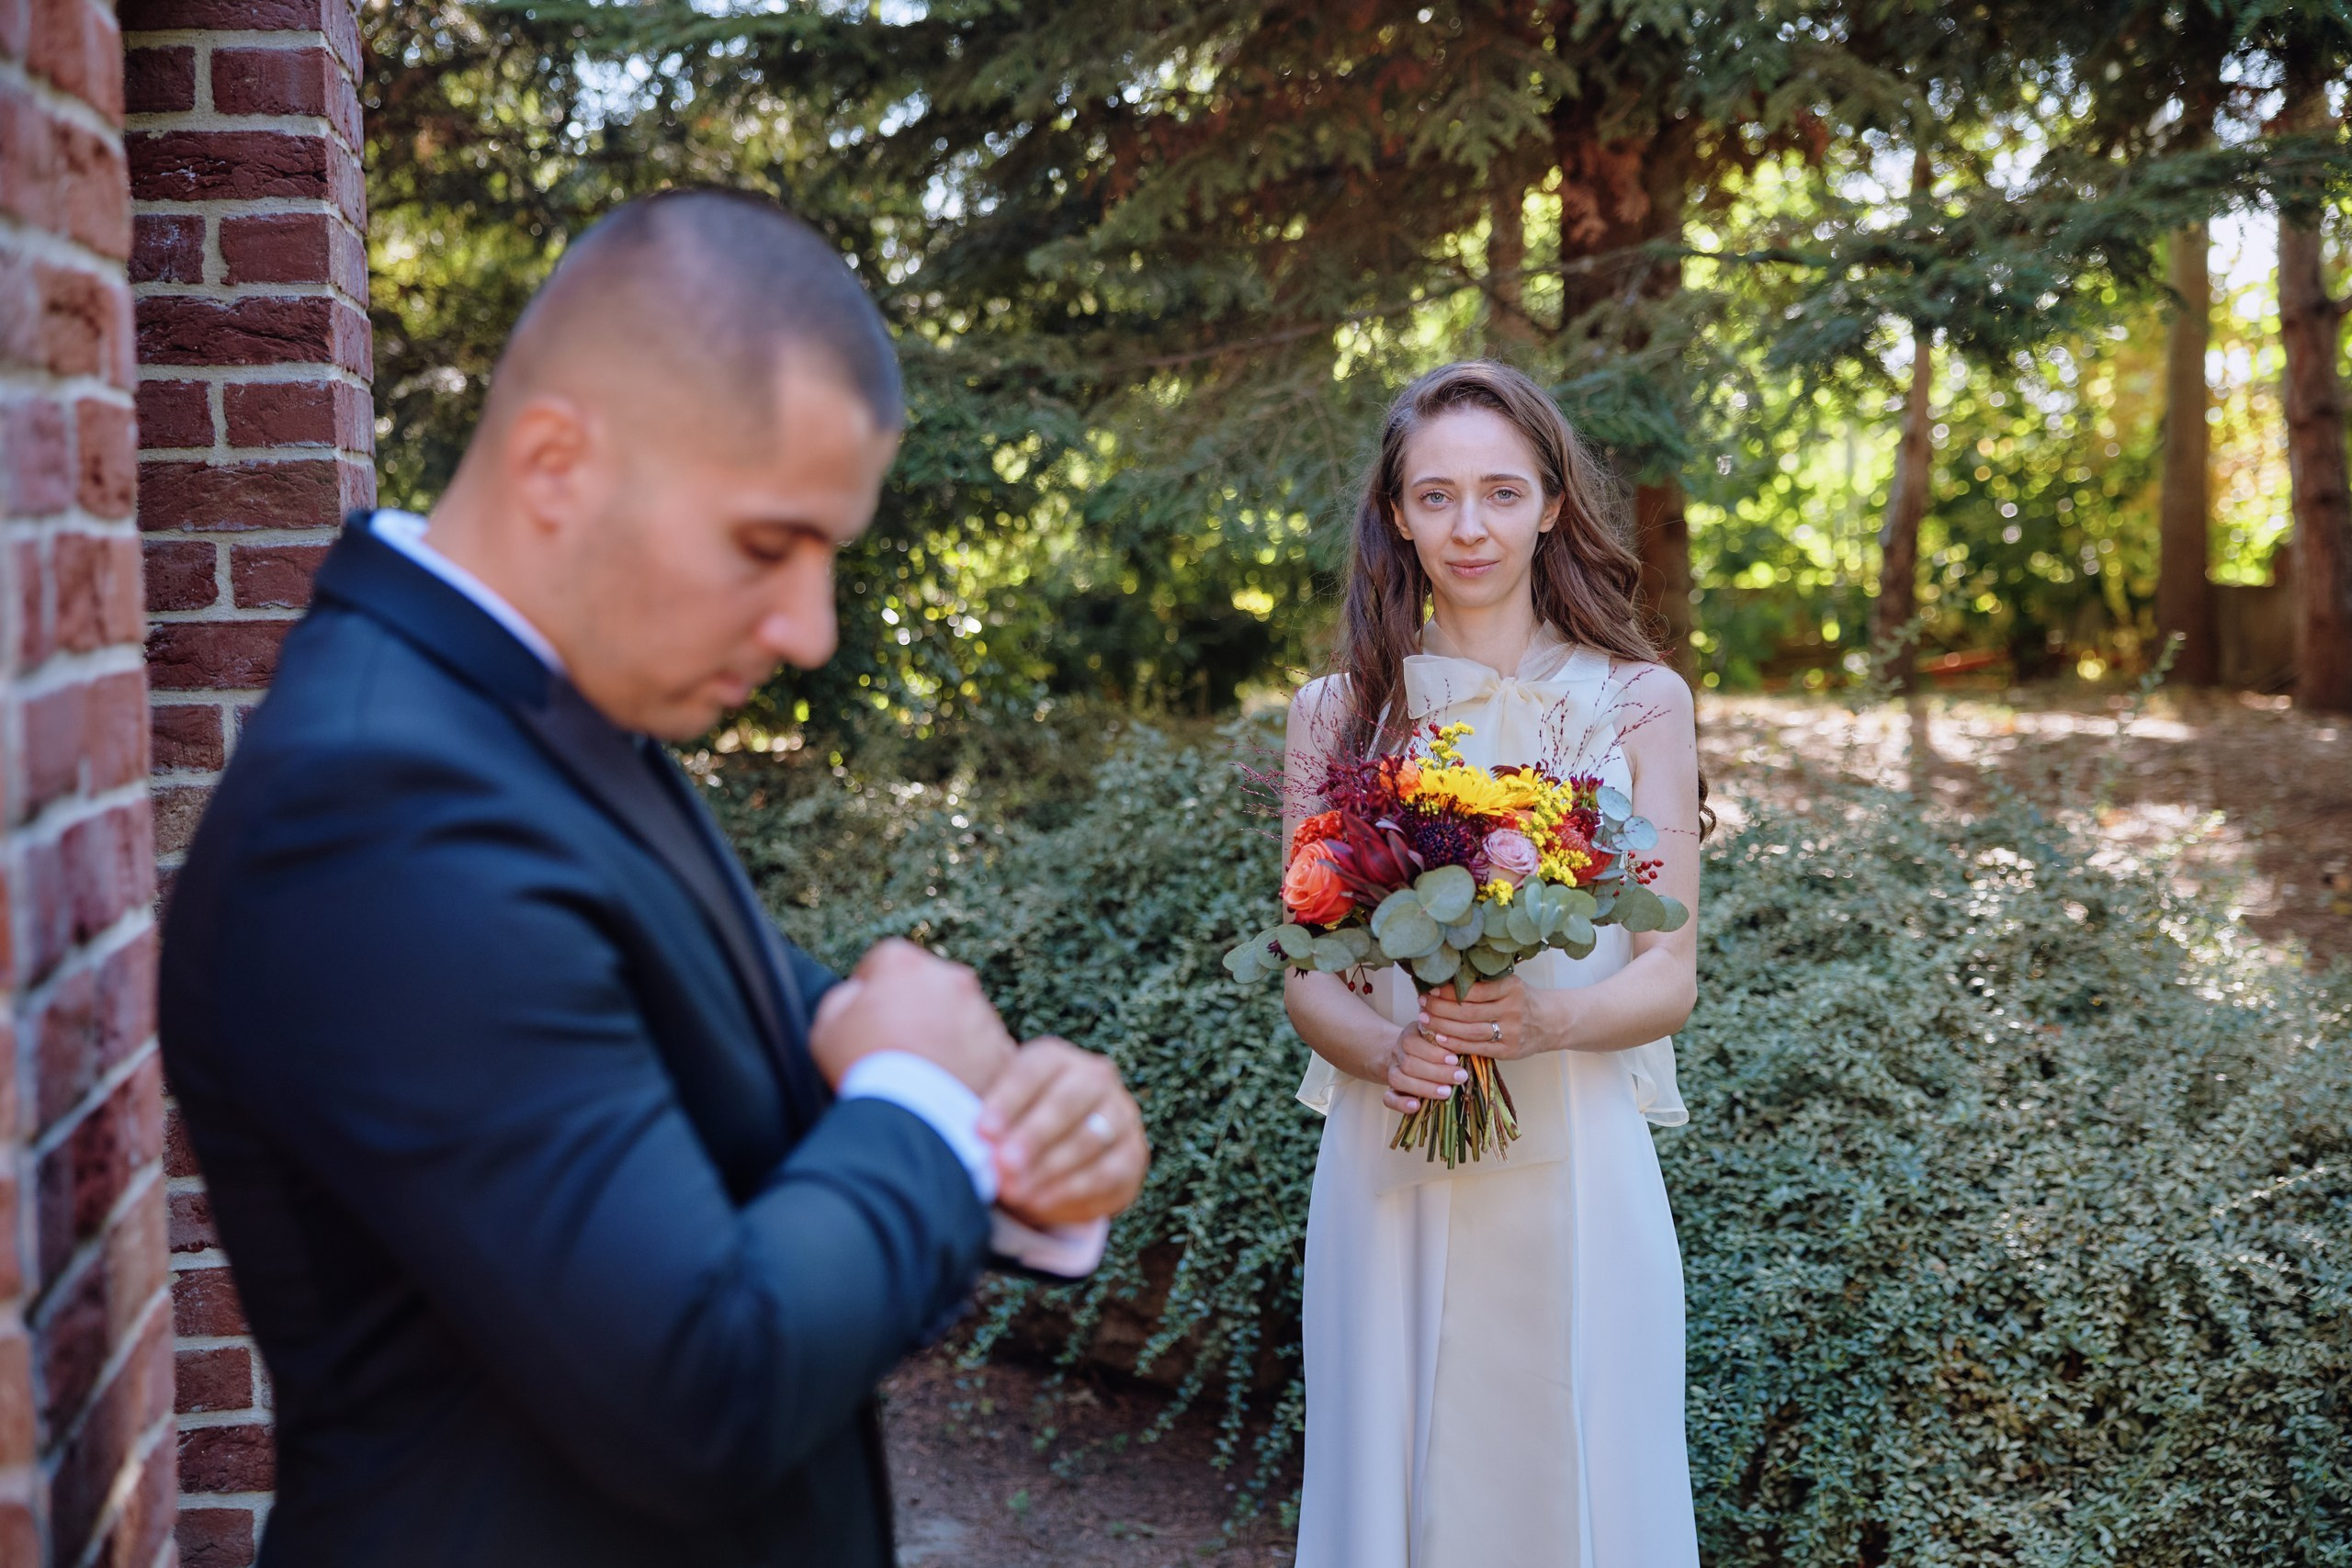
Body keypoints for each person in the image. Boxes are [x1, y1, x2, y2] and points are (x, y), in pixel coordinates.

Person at [158, 190, 1148, 1568]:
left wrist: (1024, 1140)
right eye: (766, 545)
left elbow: (770, 1079)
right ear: (557, 463)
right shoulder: (377, 807)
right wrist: (924, 1105)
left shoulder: (547, 717)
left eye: (829, 554)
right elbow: (705, 1386)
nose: (810, 630)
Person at [1282, 361, 1704, 1566]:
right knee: (1397, 1468)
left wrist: (1543, 1023)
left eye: (1503, 493)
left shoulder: (1642, 702)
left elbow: (1668, 972)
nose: (1471, 527)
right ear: (1398, 513)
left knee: (1581, 1466)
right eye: (1438, 496)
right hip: (1396, 1148)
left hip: (1579, 1147)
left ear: (1553, 505)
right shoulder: (1337, 714)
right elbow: (1310, 973)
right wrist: (1391, 1050)